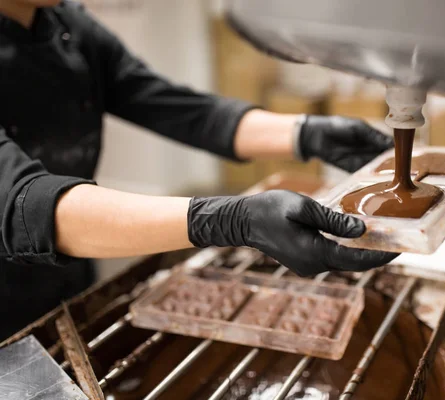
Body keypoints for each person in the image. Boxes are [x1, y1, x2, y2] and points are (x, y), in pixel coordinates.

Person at [0, 0, 397, 340]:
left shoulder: (65, 23)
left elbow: (175, 107)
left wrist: (305, 133)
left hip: (72, 277)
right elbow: (24, 204)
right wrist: (230, 221)